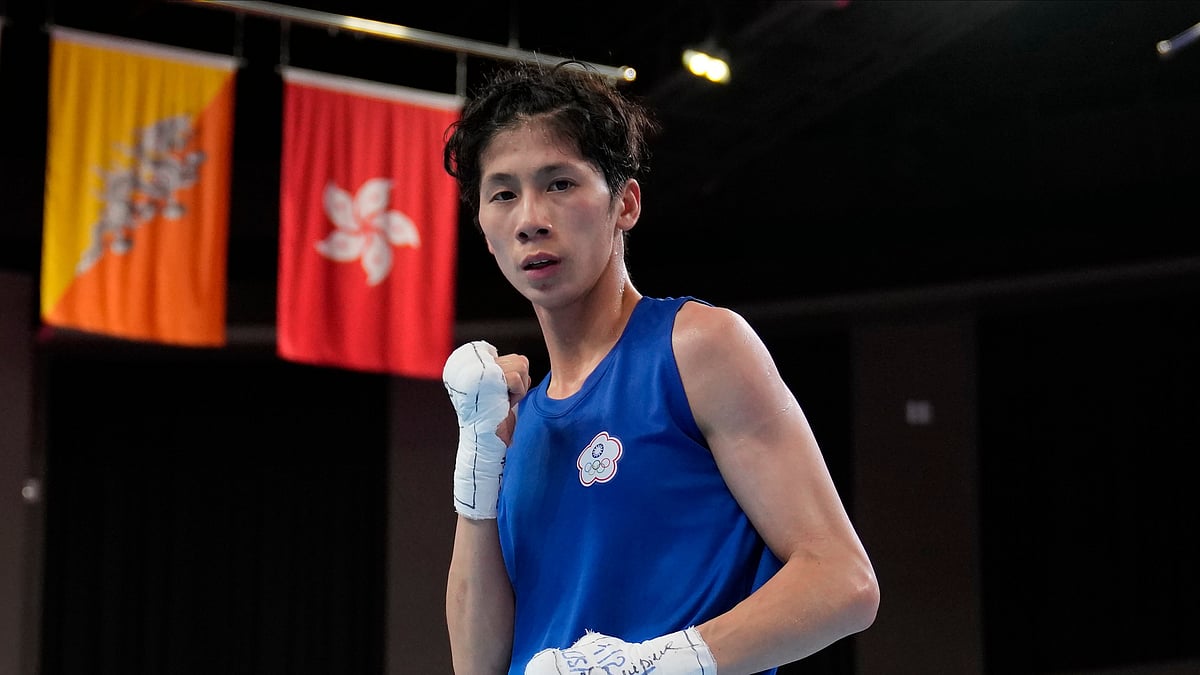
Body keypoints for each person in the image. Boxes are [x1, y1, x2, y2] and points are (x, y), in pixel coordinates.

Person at [440, 60, 879, 675]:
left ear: (625, 204)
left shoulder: (697, 347)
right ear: (486, 231)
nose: (530, 218)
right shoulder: (517, 420)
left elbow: (842, 582)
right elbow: (476, 664)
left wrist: (653, 666)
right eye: (503, 193)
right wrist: (479, 454)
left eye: (560, 183)